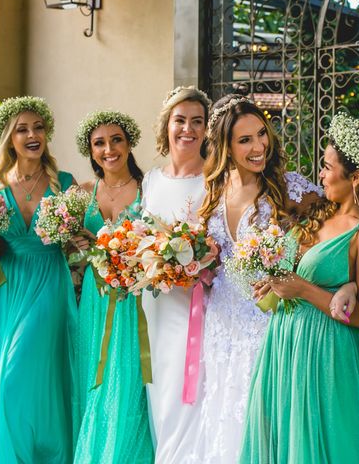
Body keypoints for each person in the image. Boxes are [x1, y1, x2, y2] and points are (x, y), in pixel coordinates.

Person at [240, 113, 359, 463]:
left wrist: (303, 290)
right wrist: (274, 283)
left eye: (326, 167)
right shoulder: (317, 211)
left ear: (356, 177)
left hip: (327, 349)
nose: (319, 174)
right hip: (284, 340)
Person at [193, 95, 322, 463]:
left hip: (267, 319)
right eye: (245, 140)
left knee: (262, 411)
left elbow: (328, 244)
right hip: (221, 320)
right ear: (225, 147)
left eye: (262, 134)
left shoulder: (291, 188)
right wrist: (199, 264)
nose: (259, 146)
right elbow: (215, 260)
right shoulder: (214, 192)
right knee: (223, 406)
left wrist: (292, 273)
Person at [0, 96, 77, 463]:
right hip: (7, 290)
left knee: (16, 374)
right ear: (10, 139)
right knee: (15, 375)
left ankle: (41, 452)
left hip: (48, 285)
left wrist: (75, 242)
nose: (33, 135)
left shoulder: (65, 183)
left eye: (38, 127)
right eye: (22, 129)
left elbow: (77, 245)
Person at [71, 110, 153, 463]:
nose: (109, 149)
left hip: (134, 298)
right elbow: (68, 252)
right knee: (94, 379)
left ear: (129, 142)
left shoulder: (149, 188)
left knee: (129, 379)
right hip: (94, 298)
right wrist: (73, 244)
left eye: (116, 140)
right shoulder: (83, 194)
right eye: (99, 143)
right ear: (90, 152)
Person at [141, 85, 212, 464]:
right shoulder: (151, 180)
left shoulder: (214, 179)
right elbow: (139, 238)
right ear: (166, 125)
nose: (188, 129)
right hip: (155, 303)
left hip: (195, 302)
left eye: (197, 122)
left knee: (191, 386)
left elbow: (221, 244)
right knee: (160, 386)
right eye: (180, 120)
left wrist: (198, 263)